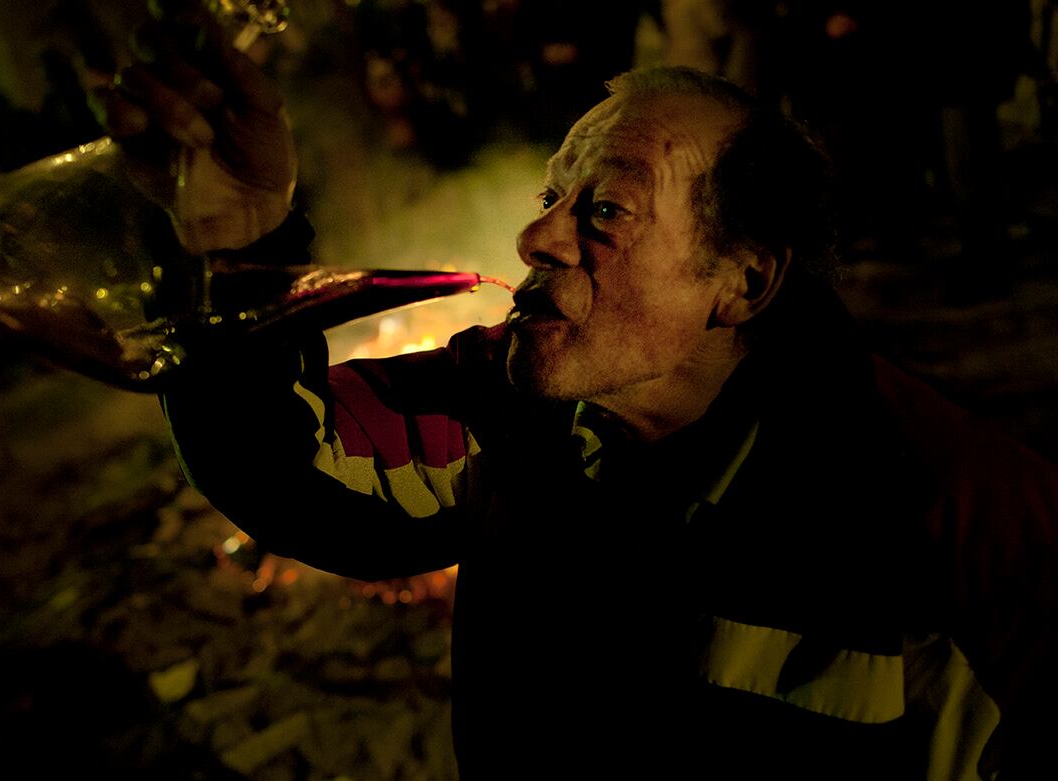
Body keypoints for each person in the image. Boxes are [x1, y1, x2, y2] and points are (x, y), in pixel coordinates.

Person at [101, 6, 1058, 777]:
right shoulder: (505, 405)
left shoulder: (958, 521)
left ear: (744, 281)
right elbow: (287, 466)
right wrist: (235, 247)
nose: (539, 239)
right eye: (551, 199)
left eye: (604, 209)